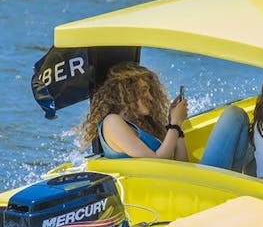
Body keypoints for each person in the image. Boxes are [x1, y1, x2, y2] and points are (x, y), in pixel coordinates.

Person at [80, 62, 248, 171]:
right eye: (144, 90)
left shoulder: (141, 124)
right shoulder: (112, 122)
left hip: (183, 182)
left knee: (237, 117)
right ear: (126, 92)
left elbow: (182, 163)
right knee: (233, 115)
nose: (151, 97)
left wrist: (175, 126)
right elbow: (156, 164)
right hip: (173, 191)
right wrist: (174, 124)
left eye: (151, 91)